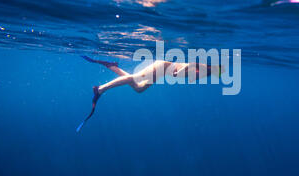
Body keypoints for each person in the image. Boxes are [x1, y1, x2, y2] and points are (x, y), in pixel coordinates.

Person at [76, 56, 223, 132]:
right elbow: (185, 67)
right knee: (135, 78)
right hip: (162, 67)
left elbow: (187, 70)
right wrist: (181, 71)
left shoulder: (204, 73)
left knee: (139, 88)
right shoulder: (203, 68)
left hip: (162, 71)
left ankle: (113, 67)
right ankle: (100, 89)